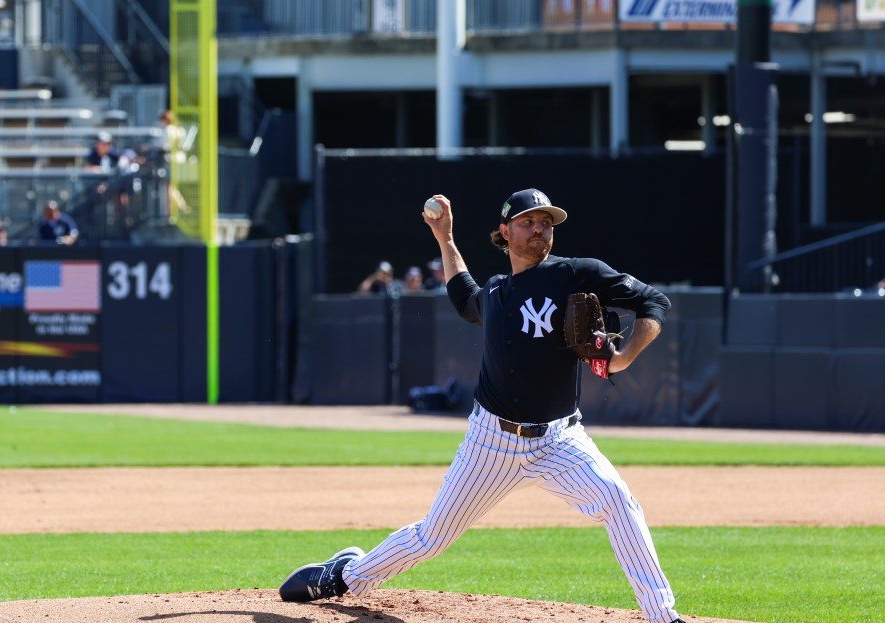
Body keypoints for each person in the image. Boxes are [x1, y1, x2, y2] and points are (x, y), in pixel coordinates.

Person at [279, 189, 687, 623]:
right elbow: (462, 294)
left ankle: (663, 616)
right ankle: (347, 575)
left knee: (618, 502)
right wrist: (445, 237)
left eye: (546, 222)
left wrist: (624, 357)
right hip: (490, 441)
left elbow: (652, 300)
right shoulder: (494, 293)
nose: (539, 229)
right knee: (433, 536)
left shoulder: (576, 274)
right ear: (505, 232)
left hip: (560, 439)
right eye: (529, 221)